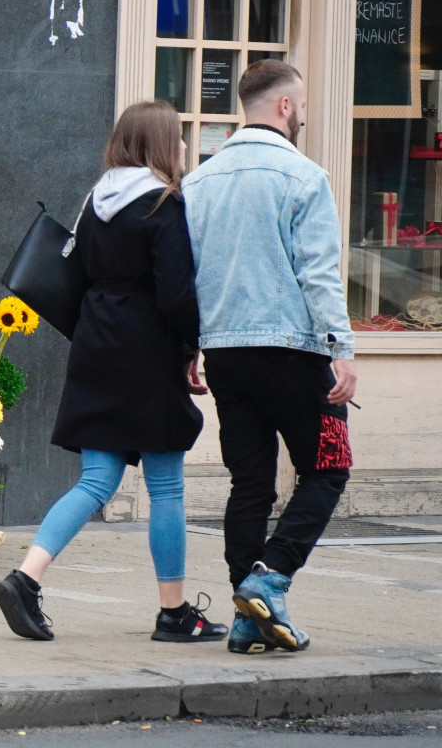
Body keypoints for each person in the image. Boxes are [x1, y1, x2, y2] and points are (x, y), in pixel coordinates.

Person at [0, 101, 228, 644]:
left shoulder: (95, 200)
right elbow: (174, 295)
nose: (186, 148)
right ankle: (173, 613)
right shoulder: (165, 204)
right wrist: (194, 345)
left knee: (98, 479)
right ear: (161, 144)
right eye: (180, 138)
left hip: (95, 342)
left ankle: (26, 578)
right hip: (146, 350)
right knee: (166, 483)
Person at [181, 60, 357, 655]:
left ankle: (247, 616)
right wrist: (342, 347)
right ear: (284, 106)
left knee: (249, 482)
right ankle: (269, 579)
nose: (304, 114)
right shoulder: (304, 177)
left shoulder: (199, 182)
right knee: (328, 469)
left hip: (226, 354)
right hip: (294, 352)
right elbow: (319, 274)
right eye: (302, 104)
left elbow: (187, 276)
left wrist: (190, 348)